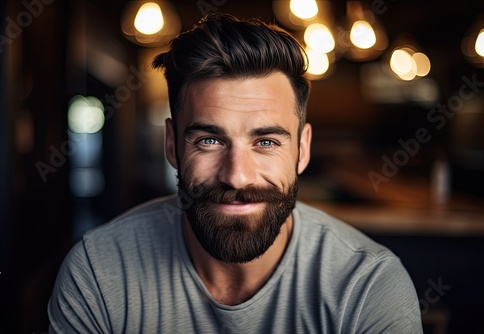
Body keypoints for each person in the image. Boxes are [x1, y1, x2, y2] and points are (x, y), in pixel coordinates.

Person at [48, 13, 423, 333]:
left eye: (267, 142)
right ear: (172, 145)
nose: (237, 177)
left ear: (302, 149)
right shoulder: (98, 271)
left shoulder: (367, 286)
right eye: (209, 140)